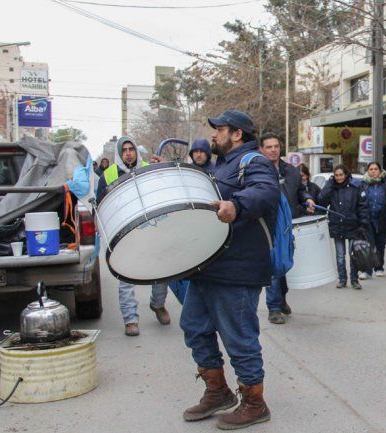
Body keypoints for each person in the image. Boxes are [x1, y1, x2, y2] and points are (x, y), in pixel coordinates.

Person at [179, 110, 280, 429]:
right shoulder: (219, 165)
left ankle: (254, 402)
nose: (213, 135)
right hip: (207, 265)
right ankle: (218, 391)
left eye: (219, 129)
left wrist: (236, 206)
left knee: (239, 337)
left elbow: (265, 193)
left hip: (238, 269)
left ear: (237, 134)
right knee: (194, 327)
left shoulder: (255, 162)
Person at [95, 137, 170, 337]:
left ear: (136, 151)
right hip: (124, 232)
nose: (128, 153)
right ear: (119, 154)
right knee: (125, 276)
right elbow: (101, 205)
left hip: (150, 228)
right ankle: (130, 319)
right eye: (124, 150)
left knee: (160, 271)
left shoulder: (147, 168)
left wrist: (162, 170)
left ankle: (158, 305)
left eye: (131, 149)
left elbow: (161, 192)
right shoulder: (108, 174)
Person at [259, 132, 315, 325]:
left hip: (289, 227)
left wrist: (307, 199)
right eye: (269, 147)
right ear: (261, 149)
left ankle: (282, 299)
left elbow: (301, 191)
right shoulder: (258, 171)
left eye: (276, 146)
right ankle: (273, 308)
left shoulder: (291, 171)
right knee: (274, 265)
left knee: (284, 264)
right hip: (268, 227)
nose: (273, 150)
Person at [318, 165, 369, 290]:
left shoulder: (355, 187)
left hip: (353, 225)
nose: (339, 177)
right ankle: (342, 279)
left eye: (341, 175)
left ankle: (354, 280)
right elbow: (321, 200)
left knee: (354, 254)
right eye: (336, 175)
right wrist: (330, 184)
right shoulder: (332, 187)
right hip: (337, 225)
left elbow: (362, 207)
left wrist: (363, 224)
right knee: (340, 255)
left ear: (346, 174)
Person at [359, 162, 386, 279]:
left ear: (380, 171)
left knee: (380, 245)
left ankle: (379, 267)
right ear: (367, 171)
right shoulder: (362, 185)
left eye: (376, 169)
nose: (373, 171)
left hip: (382, 219)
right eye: (371, 169)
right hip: (368, 220)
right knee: (368, 245)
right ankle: (366, 271)